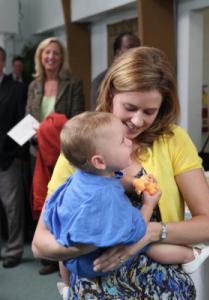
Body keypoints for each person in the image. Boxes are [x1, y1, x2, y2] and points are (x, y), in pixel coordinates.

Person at [32, 46, 209, 299]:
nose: (137, 121)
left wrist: (147, 235)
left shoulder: (173, 140)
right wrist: (95, 242)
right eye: (130, 107)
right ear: (111, 94)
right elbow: (39, 243)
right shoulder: (83, 143)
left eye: (149, 111)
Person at [45, 111, 209, 297]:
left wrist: (133, 182)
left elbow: (114, 180)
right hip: (96, 263)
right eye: (122, 141)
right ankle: (190, 255)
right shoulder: (107, 198)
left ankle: (67, 288)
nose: (130, 142)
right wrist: (148, 204)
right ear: (99, 161)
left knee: (65, 256)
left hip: (73, 260)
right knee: (146, 246)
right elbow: (135, 231)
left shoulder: (84, 176)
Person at [26, 37, 85, 275]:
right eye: (47, 53)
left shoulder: (73, 82)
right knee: (44, 201)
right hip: (37, 151)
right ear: (40, 57)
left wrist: (52, 129)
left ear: (62, 58)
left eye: (56, 53)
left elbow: (78, 118)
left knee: (64, 202)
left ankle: (65, 252)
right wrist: (38, 133)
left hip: (64, 153)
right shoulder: (34, 86)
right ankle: (49, 255)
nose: (51, 57)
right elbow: (29, 116)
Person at [0, 46, 27, 268]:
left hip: (7, 158)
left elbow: (26, 124)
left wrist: (13, 153)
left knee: (12, 208)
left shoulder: (17, 89)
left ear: (3, 62)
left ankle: (14, 249)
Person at [90, 32, 140, 110]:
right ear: (117, 53)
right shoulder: (101, 80)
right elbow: (98, 113)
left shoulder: (143, 75)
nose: (136, 51)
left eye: (138, 47)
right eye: (130, 47)